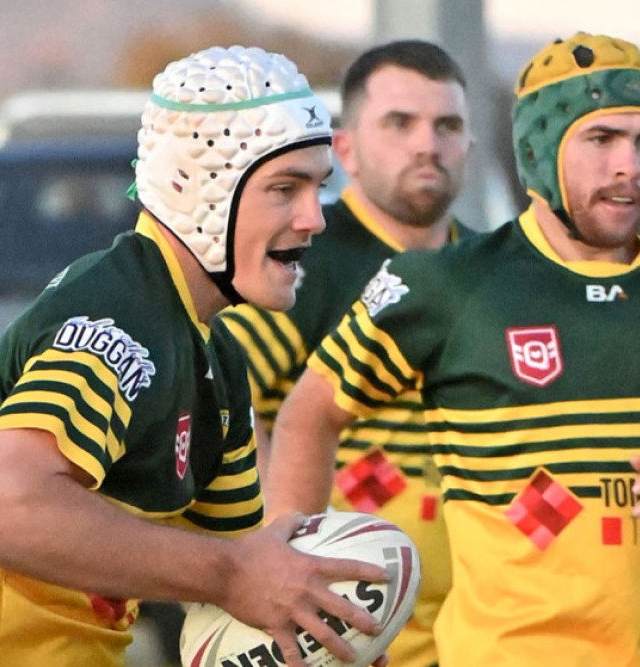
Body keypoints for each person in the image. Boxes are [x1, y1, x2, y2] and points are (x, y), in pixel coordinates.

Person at [0, 45, 388, 667]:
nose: (315, 218)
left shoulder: (214, 358)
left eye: (318, 187)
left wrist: (323, 640)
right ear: (199, 187)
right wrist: (234, 575)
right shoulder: (121, 321)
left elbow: (232, 595)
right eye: (285, 189)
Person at [264, 31, 640, 666]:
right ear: (538, 148)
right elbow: (309, 414)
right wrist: (292, 578)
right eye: (601, 140)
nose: (630, 165)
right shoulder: (445, 282)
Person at [218, 39, 474, 667]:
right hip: (351, 633)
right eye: (400, 123)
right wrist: (274, 564)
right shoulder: (305, 262)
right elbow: (226, 399)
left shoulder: (491, 270)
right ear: (346, 148)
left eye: (447, 125)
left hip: (481, 632)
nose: (426, 144)